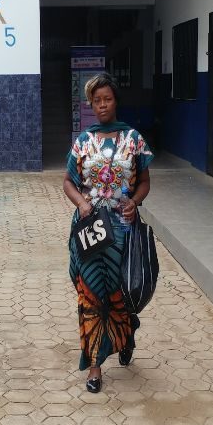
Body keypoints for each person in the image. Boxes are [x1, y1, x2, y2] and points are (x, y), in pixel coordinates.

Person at [63, 73, 153, 393]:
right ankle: (94, 366)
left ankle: (125, 333)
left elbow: (144, 181)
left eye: (107, 99)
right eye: (96, 100)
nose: (102, 105)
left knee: (118, 292)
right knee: (90, 293)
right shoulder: (84, 141)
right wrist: (80, 203)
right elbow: (68, 182)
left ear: (116, 100)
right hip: (89, 229)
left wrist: (135, 202)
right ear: (90, 104)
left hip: (122, 229)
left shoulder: (133, 140)